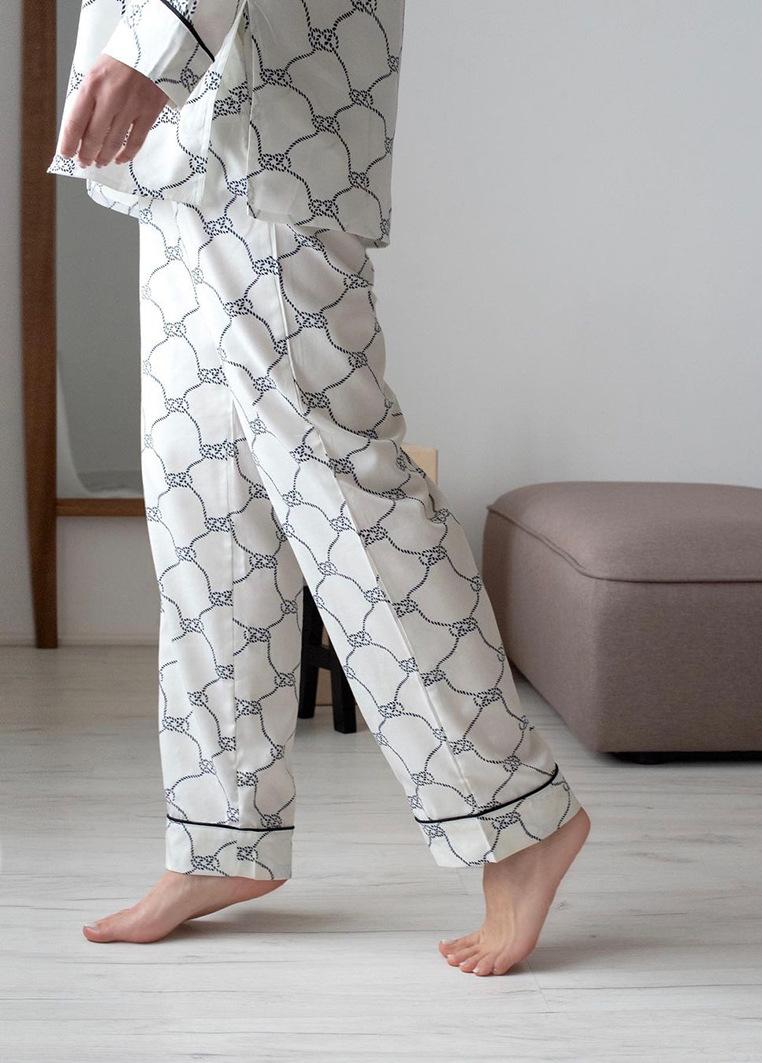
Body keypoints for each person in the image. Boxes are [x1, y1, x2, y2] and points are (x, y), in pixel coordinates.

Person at [47, 0, 590, 977]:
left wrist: (163, 37)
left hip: (258, 112)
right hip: (180, 144)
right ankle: (221, 836)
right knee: (201, 504)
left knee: (348, 498)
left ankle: (516, 819)